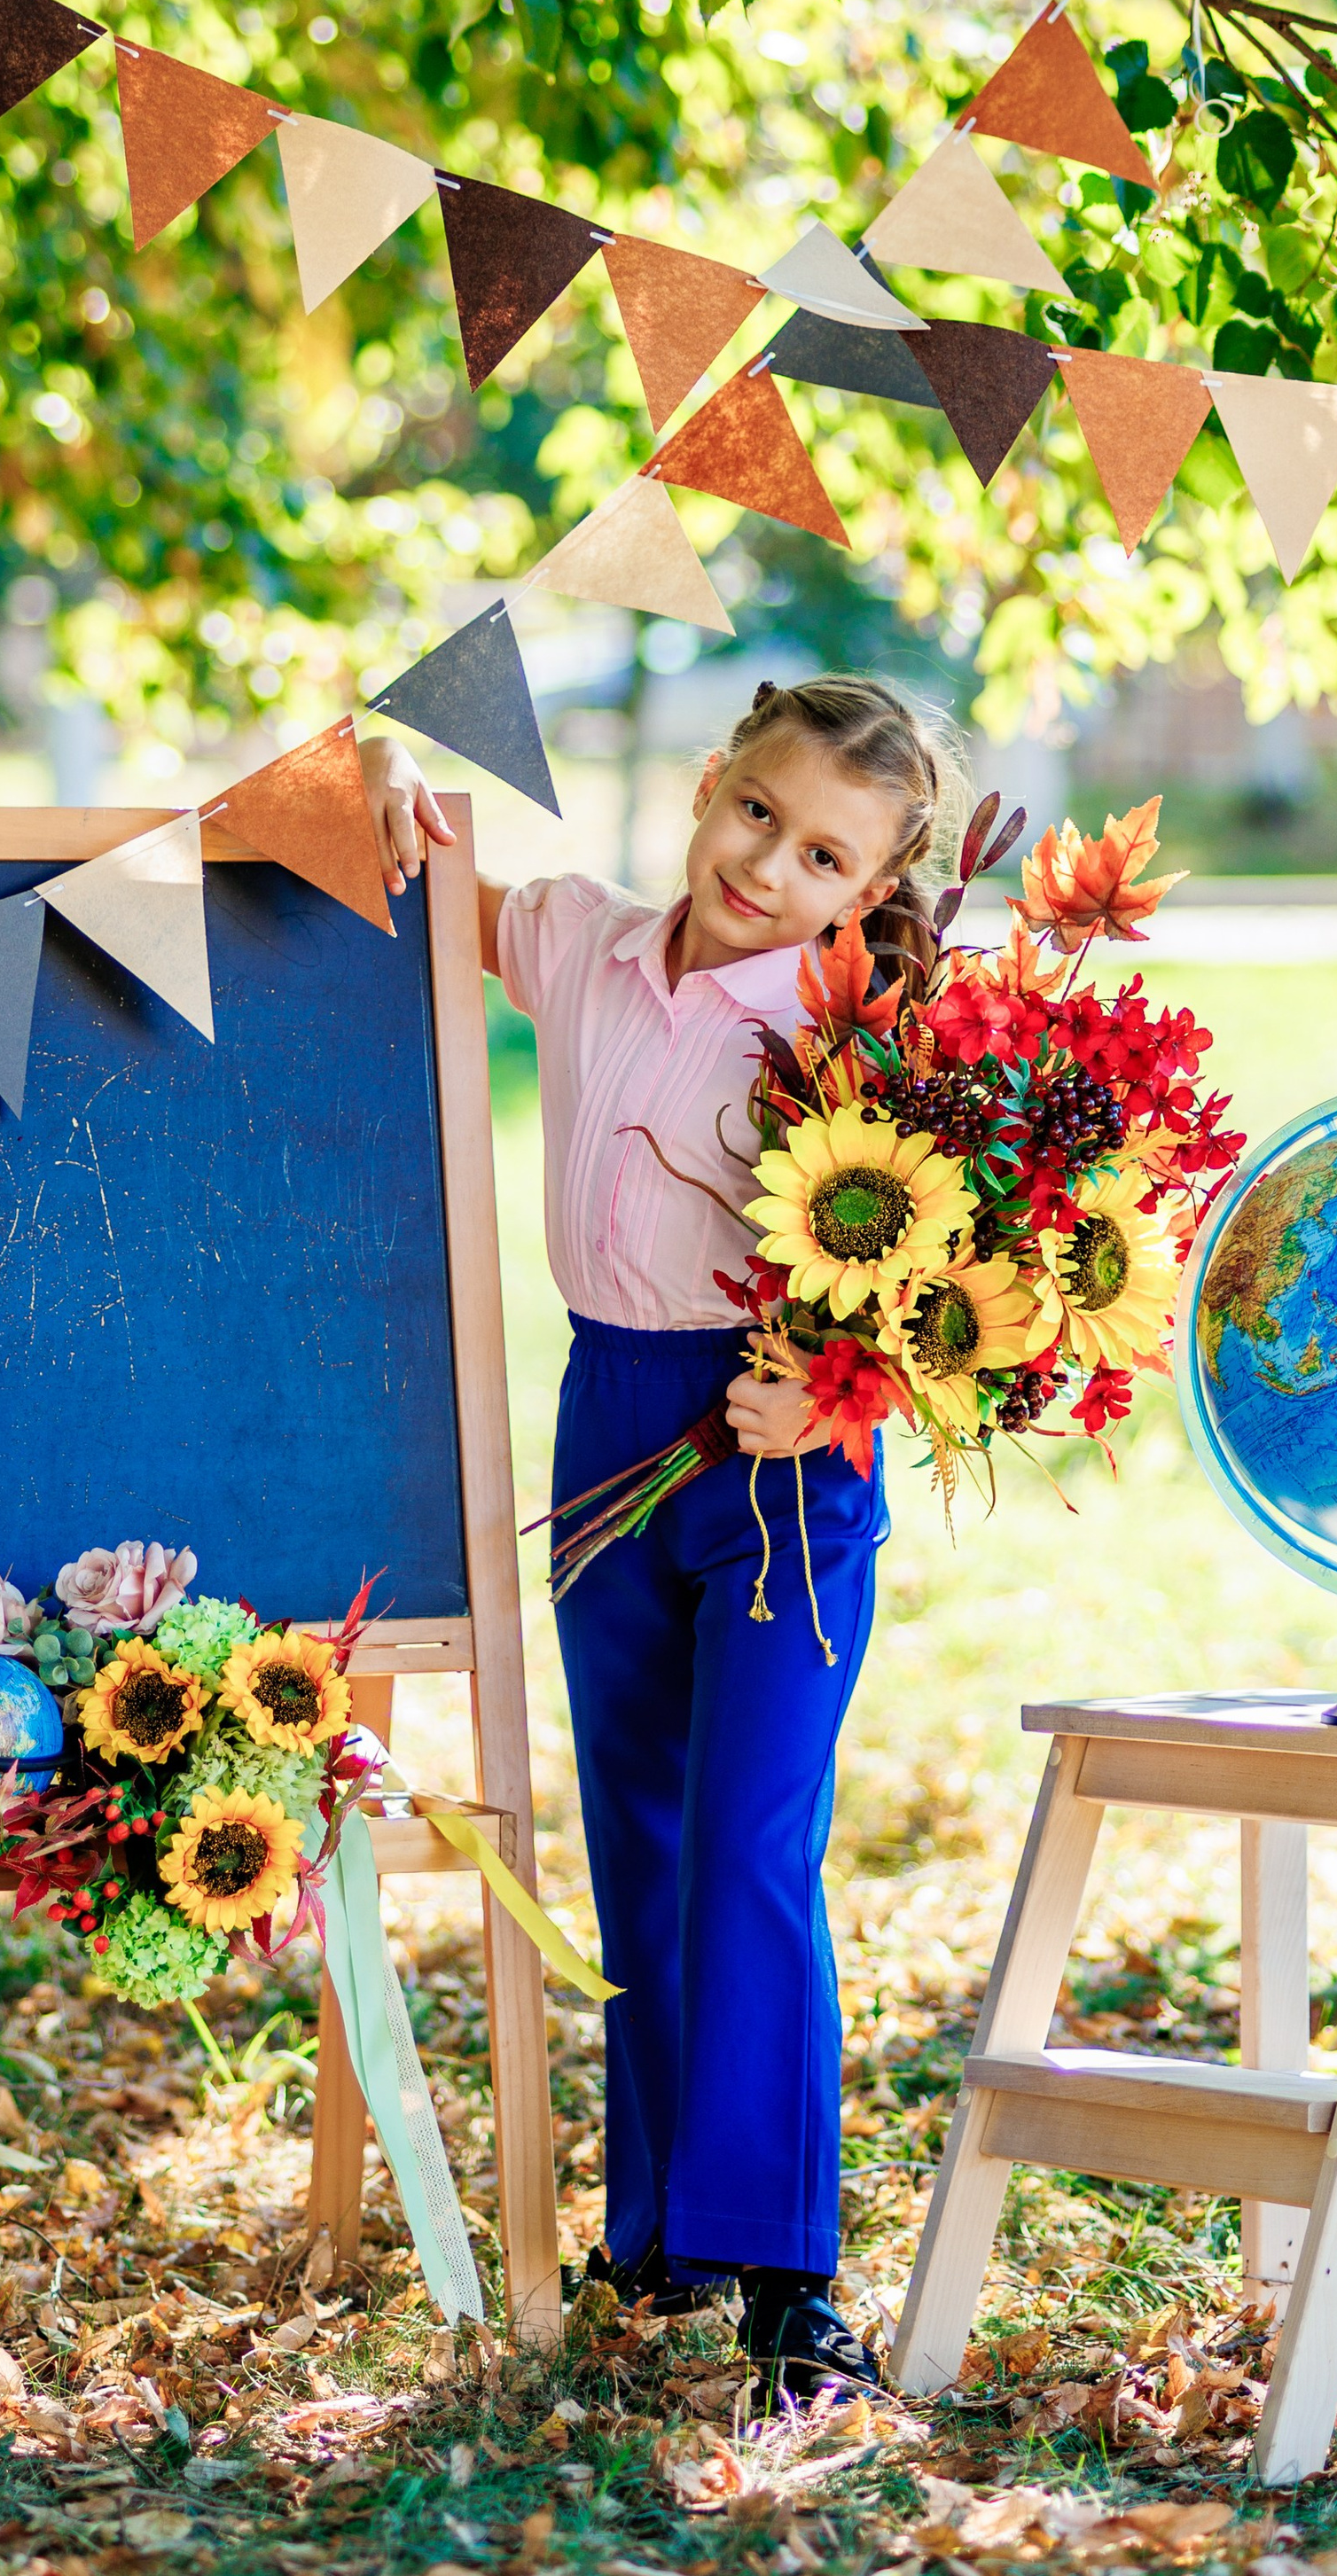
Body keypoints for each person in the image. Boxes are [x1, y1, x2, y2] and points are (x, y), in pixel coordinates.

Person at [358, 675, 966, 2403]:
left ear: (869, 891)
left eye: (823, 855)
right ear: (707, 786)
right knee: (636, 1826)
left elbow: (961, 1289)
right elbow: (422, 883)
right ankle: (665, 2234)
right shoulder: (578, 942)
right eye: (756, 813)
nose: (769, 867)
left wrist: (834, 1394)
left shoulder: (872, 1043)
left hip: (779, 1449)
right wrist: (383, 774)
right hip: (606, 1414)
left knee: (749, 1841)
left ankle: (786, 2276)